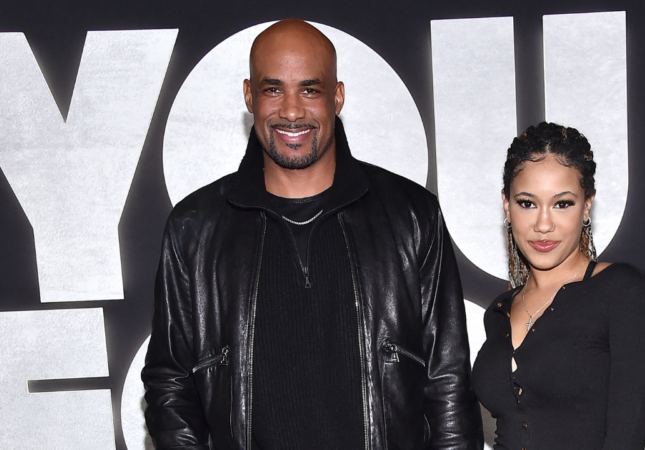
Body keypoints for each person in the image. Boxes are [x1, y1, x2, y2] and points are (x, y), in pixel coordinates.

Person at [142, 19, 482, 450]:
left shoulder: (410, 214)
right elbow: (169, 384)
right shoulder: (195, 226)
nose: (291, 111)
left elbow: (447, 381)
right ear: (250, 96)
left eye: (309, 89)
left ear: (336, 96)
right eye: (272, 89)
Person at [471, 122, 645, 449]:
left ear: (587, 205)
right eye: (527, 203)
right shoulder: (499, 312)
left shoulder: (623, 292)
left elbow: (625, 438)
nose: (543, 224)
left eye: (562, 203)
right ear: (507, 205)